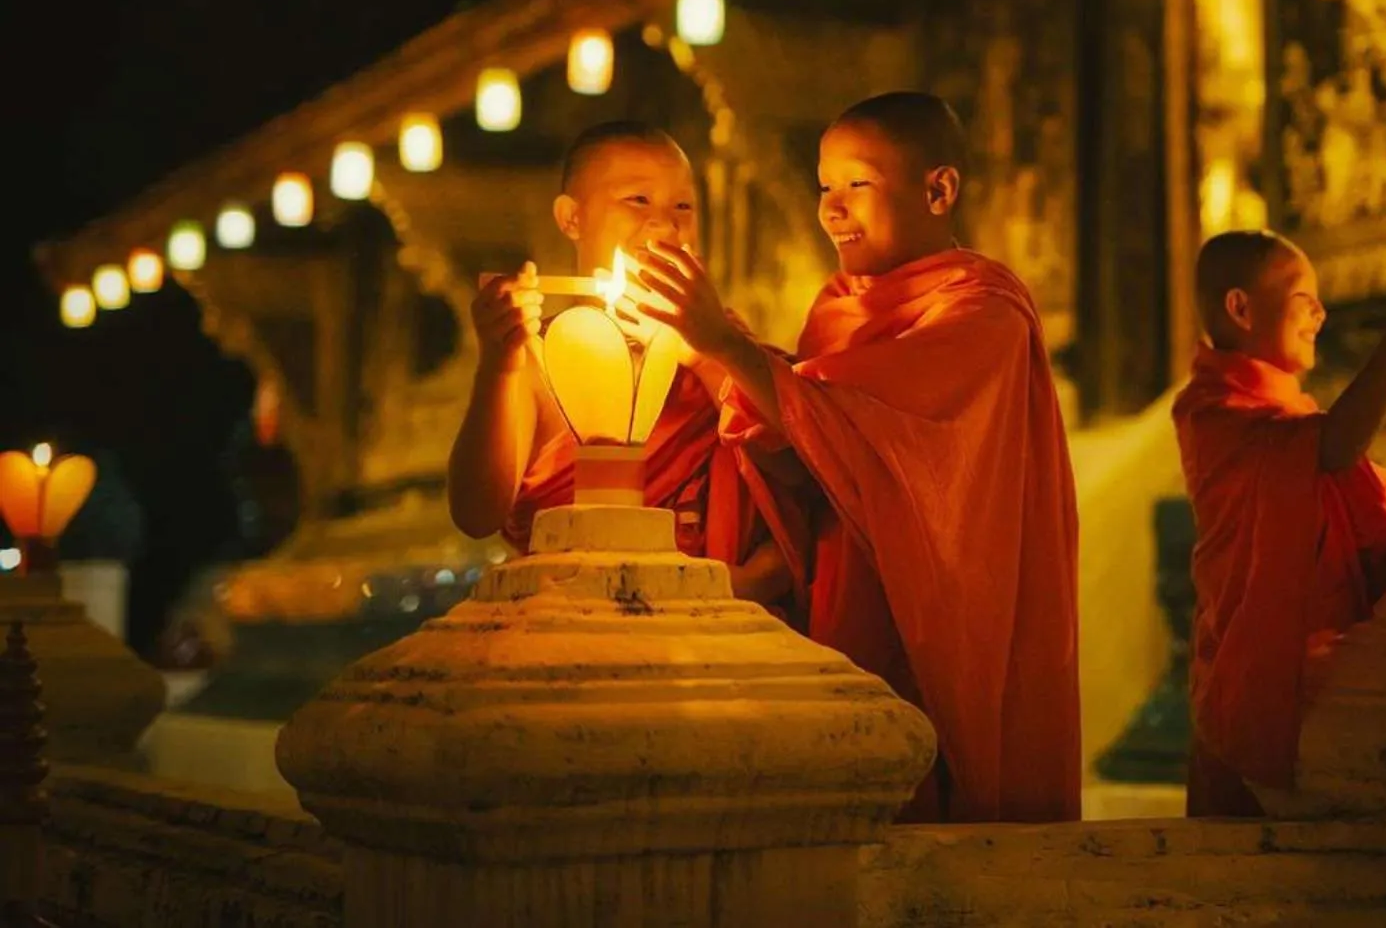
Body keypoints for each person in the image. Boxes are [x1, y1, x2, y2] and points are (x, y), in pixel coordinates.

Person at [634, 91, 1081, 823]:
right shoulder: (837, 309)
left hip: (943, 627)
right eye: (824, 186)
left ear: (938, 189)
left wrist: (729, 350)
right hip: (842, 620)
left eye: (857, 184)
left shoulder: (983, 315)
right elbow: (808, 462)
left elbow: (876, 448)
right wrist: (723, 359)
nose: (832, 209)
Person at [447, 121, 805, 616]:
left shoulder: (722, 344)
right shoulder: (534, 353)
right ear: (572, 218)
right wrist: (497, 366)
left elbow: (801, 464)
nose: (664, 226)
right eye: (638, 201)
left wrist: (705, 351)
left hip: (721, 620)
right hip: (579, 619)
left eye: (683, 207)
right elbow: (475, 513)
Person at [1176, 229, 1386, 816]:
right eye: (1304, 297)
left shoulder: (1287, 413)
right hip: (1263, 688)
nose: (1321, 314)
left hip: (1333, 690)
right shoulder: (1212, 413)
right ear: (1240, 307)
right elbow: (1331, 448)